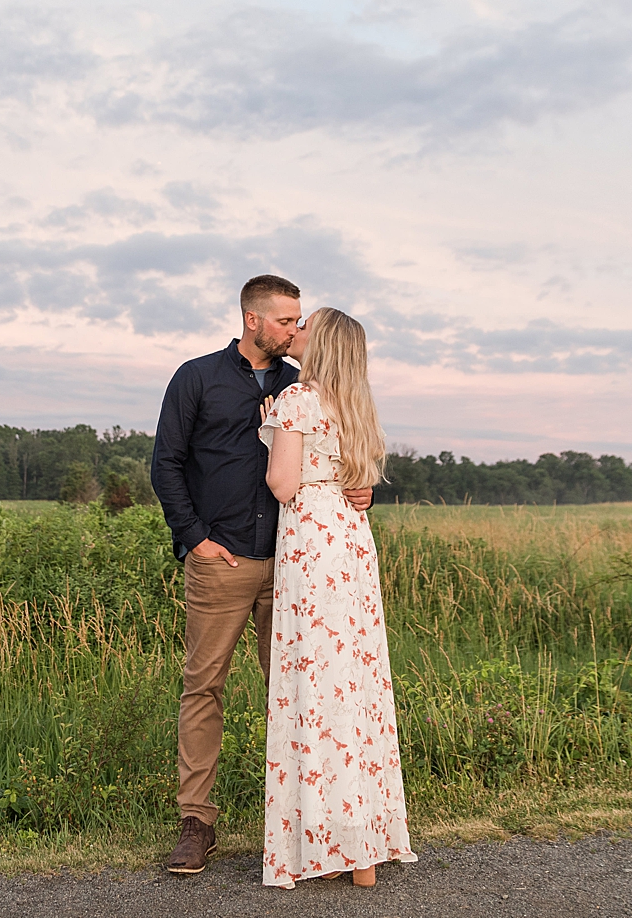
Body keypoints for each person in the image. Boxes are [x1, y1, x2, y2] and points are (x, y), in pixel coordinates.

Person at [151, 275, 374, 876]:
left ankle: (311, 825)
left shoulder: (302, 385)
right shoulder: (197, 377)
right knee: (204, 689)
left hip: (296, 569)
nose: (294, 330)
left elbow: (345, 454)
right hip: (223, 560)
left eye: (299, 322)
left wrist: (364, 490)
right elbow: (166, 463)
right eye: (285, 321)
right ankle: (196, 823)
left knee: (304, 695)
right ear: (253, 319)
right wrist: (195, 539)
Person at [258, 307, 415, 889]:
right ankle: (363, 853)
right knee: (354, 682)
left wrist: (273, 433)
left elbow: (282, 483)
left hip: (310, 539)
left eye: (305, 326)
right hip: (351, 541)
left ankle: (317, 839)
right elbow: (360, 479)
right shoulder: (358, 405)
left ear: (319, 344)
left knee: (314, 684)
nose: (295, 331)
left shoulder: (297, 400)